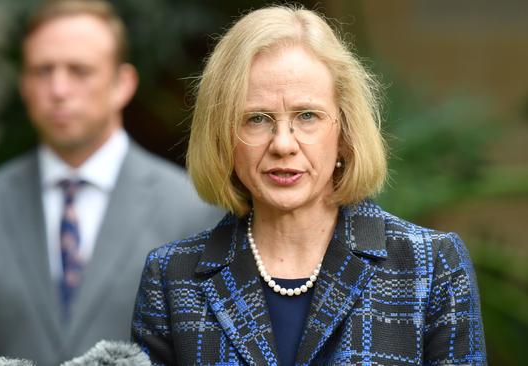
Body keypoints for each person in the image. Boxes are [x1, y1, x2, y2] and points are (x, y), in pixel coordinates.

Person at [131, 5, 487, 365]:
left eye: (307, 116)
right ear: (223, 137)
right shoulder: (172, 277)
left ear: (344, 132)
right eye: (256, 118)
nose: (283, 144)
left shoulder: (430, 265)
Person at [0, 1, 220, 365]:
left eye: (79, 71)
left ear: (123, 84)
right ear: (23, 86)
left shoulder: (192, 208)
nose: (59, 89)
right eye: (42, 71)